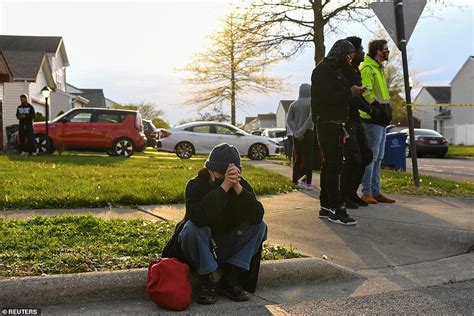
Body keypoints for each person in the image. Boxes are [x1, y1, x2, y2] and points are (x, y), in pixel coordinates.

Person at [162, 143, 267, 305]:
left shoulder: (240, 185)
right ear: (210, 170)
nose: (226, 179)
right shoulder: (196, 185)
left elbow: (257, 216)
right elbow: (198, 217)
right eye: (220, 175)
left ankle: (230, 278)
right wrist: (224, 187)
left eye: (231, 175)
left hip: (226, 244)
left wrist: (237, 188)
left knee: (260, 226)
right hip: (201, 245)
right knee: (191, 228)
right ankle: (209, 279)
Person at [311, 39, 366, 226]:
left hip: (336, 123)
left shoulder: (336, 70)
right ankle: (336, 208)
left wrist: (354, 88)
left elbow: (345, 88)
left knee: (330, 165)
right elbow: (328, 98)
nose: (350, 61)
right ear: (341, 55)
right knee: (334, 165)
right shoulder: (323, 71)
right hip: (327, 123)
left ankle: (326, 205)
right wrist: (351, 93)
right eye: (348, 57)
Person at [359, 39, 396, 204]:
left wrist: (387, 109)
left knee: (379, 157)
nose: (387, 52)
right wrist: (377, 109)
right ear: (377, 51)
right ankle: (366, 192)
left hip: (380, 120)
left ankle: (375, 191)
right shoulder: (368, 68)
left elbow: (382, 94)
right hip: (372, 120)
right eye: (385, 49)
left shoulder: (379, 68)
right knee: (371, 157)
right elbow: (366, 92)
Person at [340, 36, 375, 209]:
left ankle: (352, 192)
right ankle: (344, 195)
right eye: (360, 49)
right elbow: (352, 97)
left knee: (366, 155)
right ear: (351, 53)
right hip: (347, 121)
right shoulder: (344, 71)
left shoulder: (356, 71)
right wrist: (368, 108)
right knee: (352, 158)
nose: (363, 52)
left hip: (356, 119)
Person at [286, 83, 314, 189]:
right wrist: (302, 131)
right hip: (308, 133)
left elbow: (289, 120)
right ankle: (308, 183)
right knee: (308, 158)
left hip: (296, 136)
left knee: (297, 158)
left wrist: (296, 131)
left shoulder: (293, 104)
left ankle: (294, 181)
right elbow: (311, 117)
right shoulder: (311, 103)